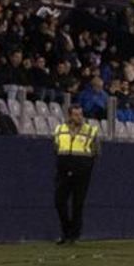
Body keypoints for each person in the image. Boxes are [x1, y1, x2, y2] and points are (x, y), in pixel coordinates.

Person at [52, 102, 99, 244]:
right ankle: (66, 231)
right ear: (70, 116)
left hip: (82, 172)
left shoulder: (90, 131)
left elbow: (96, 151)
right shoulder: (60, 129)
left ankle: (73, 235)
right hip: (63, 170)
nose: (80, 117)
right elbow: (56, 148)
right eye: (76, 114)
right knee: (59, 202)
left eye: (81, 114)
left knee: (77, 204)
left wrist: (86, 166)